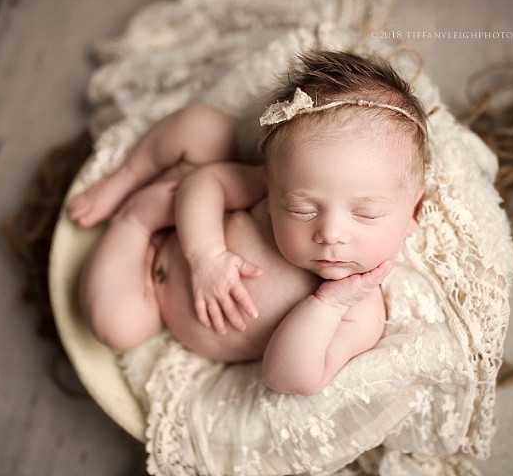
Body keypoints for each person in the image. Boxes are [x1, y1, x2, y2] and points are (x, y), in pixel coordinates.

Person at [68, 50, 428, 395]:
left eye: (365, 214)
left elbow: (288, 378)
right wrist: (207, 257)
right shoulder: (270, 192)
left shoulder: (361, 311)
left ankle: (133, 221)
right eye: (303, 209)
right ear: (273, 187)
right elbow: (204, 183)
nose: (331, 233)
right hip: (181, 222)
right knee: (204, 126)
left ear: (414, 211)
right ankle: (129, 179)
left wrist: (329, 304)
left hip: (150, 295)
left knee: (117, 326)